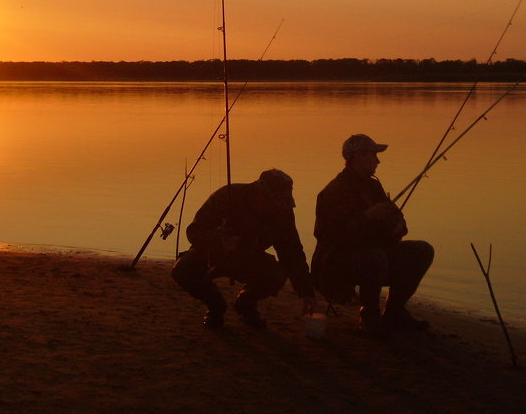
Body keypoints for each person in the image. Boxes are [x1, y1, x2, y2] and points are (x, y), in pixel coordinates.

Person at [312, 134, 435, 335]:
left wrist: (397, 225)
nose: (378, 161)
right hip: (334, 264)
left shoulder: (373, 185)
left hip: (372, 255)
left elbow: (393, 224)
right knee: (374, 257)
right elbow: (330, 237)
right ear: (358, 157)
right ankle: (369, 316)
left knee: (422, 250)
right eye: (373, 155)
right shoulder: (333, 192)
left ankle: (394, 312)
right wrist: (367, 217)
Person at [171, 168, 316, 329]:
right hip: (212, 254)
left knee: (276, 274)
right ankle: (216, 306)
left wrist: (306, 291)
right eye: (273, 200)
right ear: (260, 193)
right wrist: (218, 240)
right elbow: (195, 230)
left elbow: (292, 251)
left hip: (248, 258)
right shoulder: (227, 196)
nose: (278, 205)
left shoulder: (283, 212)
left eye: (282, 201)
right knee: (184, 269)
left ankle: (246, 303)